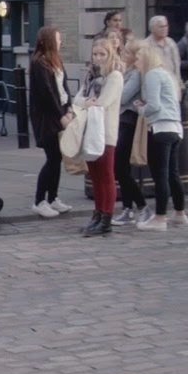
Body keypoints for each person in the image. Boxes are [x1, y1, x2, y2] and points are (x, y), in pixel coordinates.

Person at [134, 41, 188, 231]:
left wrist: (141, 109)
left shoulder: (152, 75)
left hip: (161, 127)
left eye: (139, 57)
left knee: (161, 175)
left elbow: (154, 106)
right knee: (173, 173)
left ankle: (160, 217)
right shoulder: (167, 74)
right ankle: (180, 213)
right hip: (175, 128)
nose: (136, 61)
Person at [77, 39, 123, 236]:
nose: (98, 58)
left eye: (102, 54)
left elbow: (103, 102)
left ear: (110, 55)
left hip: (105, 131)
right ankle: (97, 214)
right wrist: (87, 102)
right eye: (95, 54)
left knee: (106, 176)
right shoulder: (90, 76)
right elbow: (76, 98)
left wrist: (86, 103)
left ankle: (106, 218)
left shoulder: (115, 76)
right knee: (94, 176)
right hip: (89, 130)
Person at [28, 26, 74, 218]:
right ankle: (39, 201)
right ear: (48, 41)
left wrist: (70, 107)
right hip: (47, 117)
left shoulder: (56, 61)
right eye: (57, 38)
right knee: (52, 157)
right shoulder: (40, 63)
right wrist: (60, 115)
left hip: (60, 111)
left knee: (57, 158)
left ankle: (53, 197)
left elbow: (63, 87)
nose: (60, 41)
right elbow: (47, 93)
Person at [112, 40, 150, 226]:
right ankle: (127, 208)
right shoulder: (127, 71)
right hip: (121, 120)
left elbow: (122, 96)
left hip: (129, 121)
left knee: (120, 166)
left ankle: (142, 205)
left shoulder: (135, 74)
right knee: (121, 168)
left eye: (127, 52)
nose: (123, 55)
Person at [146, 15, 181, 80]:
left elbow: (176, 64)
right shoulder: (146, 45)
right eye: (161, 27)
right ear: (152, 29)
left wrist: (179, 82)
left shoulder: (171, 42)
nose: (165, 29)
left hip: (172, 81)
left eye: (166, 26)